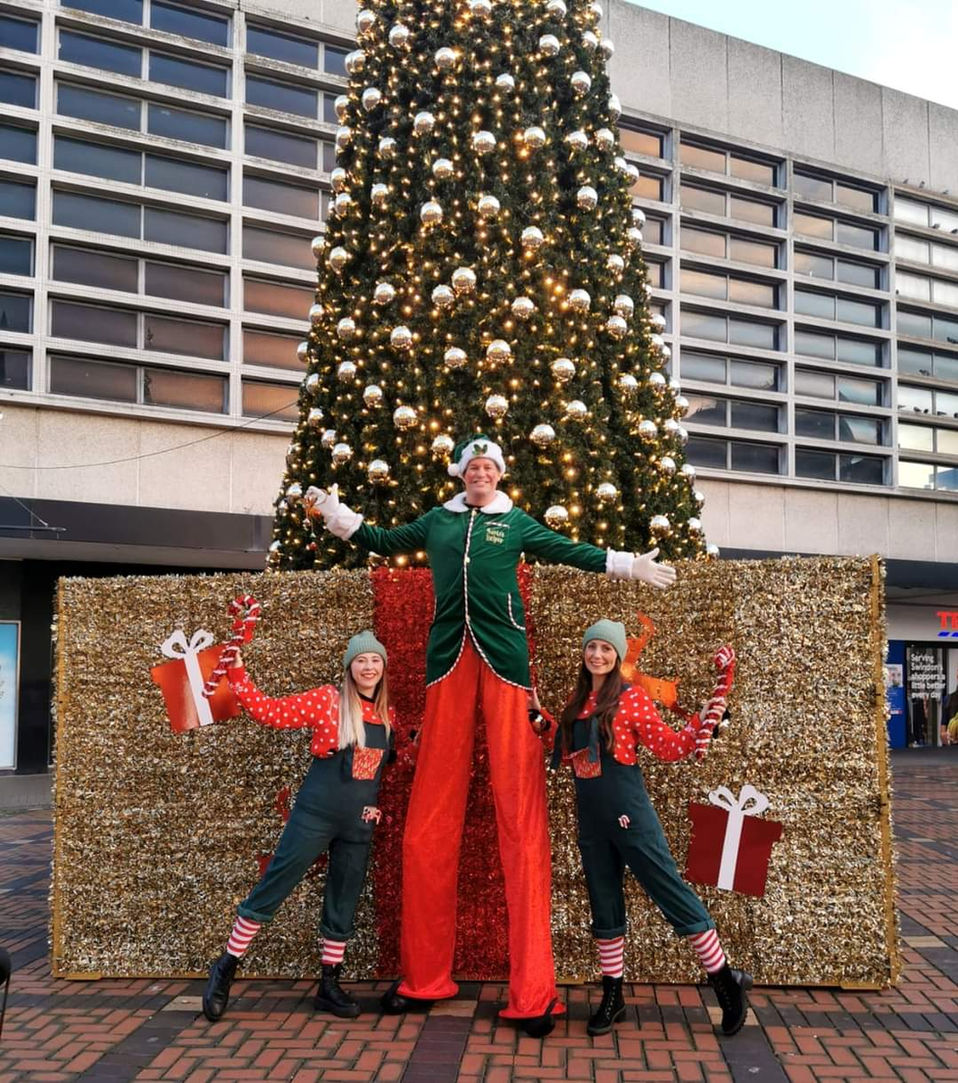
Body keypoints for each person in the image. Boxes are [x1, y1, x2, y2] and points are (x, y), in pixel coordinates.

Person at [306, 434, 676, 1038]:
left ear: (499, 476)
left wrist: (626, 564)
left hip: (506, 664)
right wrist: (337, 517)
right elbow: (380, 541)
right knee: (430, 817)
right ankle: (424, 978)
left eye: (489, 467)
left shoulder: (517, 523)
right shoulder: (438, 521)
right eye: (473, 467)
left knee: (520, 816)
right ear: (462, 474)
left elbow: (569, 549)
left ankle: (534, 993)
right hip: (447, 663)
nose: (480, 474)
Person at [533, 619, 750, 1037]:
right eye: (592, 647)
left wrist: (701, 723)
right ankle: (613, 995)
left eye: (606, 649)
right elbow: (566, 747)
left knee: (670, 891)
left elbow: (668, 747)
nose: (597, 655)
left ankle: (724, 981)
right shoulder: (578, 702)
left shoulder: (630, 699)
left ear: (617, 657)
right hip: (592, 821)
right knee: (604, 904)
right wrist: (542, 722)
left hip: (630, 815)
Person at [202, 631, 396, 1023]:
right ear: (349, 667)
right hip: (315, 815)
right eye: (361, 660)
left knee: (343, 899)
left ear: (383, 667)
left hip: (357, 826)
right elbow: (269, 712)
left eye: (375, 660)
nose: (369, 667)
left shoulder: (388, 716)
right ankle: (226, 966)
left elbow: (379, 771)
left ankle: (329, 984)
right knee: (275, 884)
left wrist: (375, 809)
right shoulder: (329, 701)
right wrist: (238, 673)